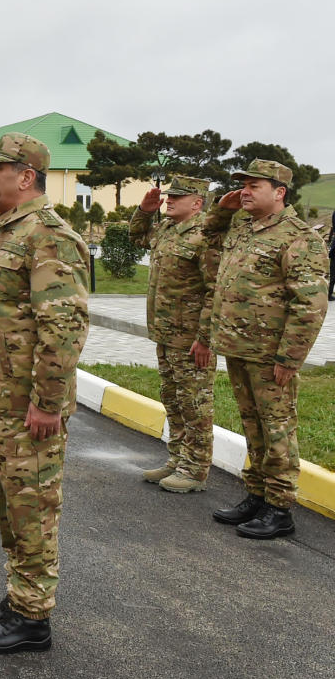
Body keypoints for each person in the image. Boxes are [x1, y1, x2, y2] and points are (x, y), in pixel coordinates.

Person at [0, 133, 89, 653]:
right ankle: (19, 599)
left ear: (26, 176)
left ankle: (33, 618)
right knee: (12, 505)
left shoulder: (49, 236)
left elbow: (63, 326)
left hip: (25, 405)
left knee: (33, 506)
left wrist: (48, 401)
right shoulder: (5, 228)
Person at [201, 159, 329, 539]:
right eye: (242, 184)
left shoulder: (299, 238)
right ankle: (256, 495)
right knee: (252, 425)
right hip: (239, 346)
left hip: (270, 355)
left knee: (277, 429)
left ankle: (279, 506)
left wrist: (290, 357)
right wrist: (220, 210)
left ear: (279, 192)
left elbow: (310, 305)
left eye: (254, 185)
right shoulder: (244, 228)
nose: (244, 191)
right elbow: (207, 238)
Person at [128, 176, 219, 493]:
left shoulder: (206, 236)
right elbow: (137, 237)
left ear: (197, 203)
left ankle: (195, 469)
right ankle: (178, 458)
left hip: (191, 338)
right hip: (166, 333)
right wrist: (144, 210)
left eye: (177, 197)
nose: (170, 200)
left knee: (195, 404)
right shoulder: (167, 229)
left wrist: (205, 338)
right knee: (173, 399)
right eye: (169, 195)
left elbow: (214, 291)